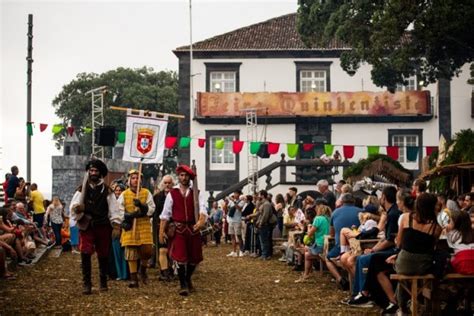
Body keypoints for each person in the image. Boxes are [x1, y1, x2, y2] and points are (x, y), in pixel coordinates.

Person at [70, 159, 121, 295]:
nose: (93, 173)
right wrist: (77, 208)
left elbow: (114, 210)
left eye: (96, 171)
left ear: (100, 173)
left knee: (103, 254)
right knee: (85, 252)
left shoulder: (107, 191)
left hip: (103, 225)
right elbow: (73, 207)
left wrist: (116, 225)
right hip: (87, 225)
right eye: (91, 170)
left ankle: (103, 281)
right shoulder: (82, 190)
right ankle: (86, 284)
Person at [159, 165, 207, 296]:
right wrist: (161, 231)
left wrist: (201, 221)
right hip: (179, 229)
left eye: (186, 175)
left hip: (193, 228)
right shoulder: (172, 193)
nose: (183, 177)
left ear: (190, 177)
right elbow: (165, 214)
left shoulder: (197, 192)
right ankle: (183, 285)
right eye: (181, 175)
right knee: (180, 258)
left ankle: (187, 278)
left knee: (194, 259)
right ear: (178, 177)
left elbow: (203, 209)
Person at [118, 169, 156, 289]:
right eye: (133, 178)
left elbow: (152, 208)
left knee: (147, 251)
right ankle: (134, 279)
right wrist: (126, 217)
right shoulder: (124, 194)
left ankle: (143, 271)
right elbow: (118, 210)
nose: (135, 180)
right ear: (129, 180)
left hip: (143, 224)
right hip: (130, 226)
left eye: (138, 178)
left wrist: (142, 207)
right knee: (131, 253)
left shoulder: (146, 192)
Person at [324, 193, 361, 290]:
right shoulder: (361, 211)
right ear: (354, 201)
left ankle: (340, 279)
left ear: (342, 202)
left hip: (342, 247)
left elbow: (331, 233)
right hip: (359, 246)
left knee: (327, 258)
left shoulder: (335, 212)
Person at [295, 204, 331, 282]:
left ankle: (306, 273)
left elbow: (310, 233)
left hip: (320, 245)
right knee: (307, 254)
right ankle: (307, 274)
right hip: (329, 244)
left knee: (305, 250)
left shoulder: (318, 219)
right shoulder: (329, 219)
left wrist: (308, 228)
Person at [153, 175, 174, 281]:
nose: (167, 185)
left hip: (173, 227)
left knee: (172, 251)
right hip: (160, 226)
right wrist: (161, 229)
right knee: (162, 250)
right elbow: (155, 214)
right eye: (165, 183)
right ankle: (164, 272)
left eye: (169, 183)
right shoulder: (157, 197)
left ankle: (171, 270)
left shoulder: (176, 196)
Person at [447, 210, 474, 274]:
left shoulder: (452, 234)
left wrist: (447, 232)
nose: (448, 223)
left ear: (455, 223)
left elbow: (449, 247)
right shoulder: (472, 232)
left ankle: (453, 282)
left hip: (461, 263)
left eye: (450, 221)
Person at [110, 183, 128, 281]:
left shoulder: (125, 201)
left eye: (119, 190)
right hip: (114, 229)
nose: (117, 192)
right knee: (116, 253)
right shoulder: (111, 202)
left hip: (124, 228)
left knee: (124, 253)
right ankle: (119, 273)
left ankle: (124, 274)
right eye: (116, 190)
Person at [255, 190, 275, 260]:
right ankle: (264, 254)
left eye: (259, 195)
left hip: (265, 225)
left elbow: (265, 216)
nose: (258, 196)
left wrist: (261, 223)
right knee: (262, 240)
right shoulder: (263, 204)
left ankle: (265, 255)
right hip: (262, 224)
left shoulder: (266, 204)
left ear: (262, 195)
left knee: (264, 240)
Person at [226, 190, 245, 257]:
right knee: (232, 236)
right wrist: (227, 203)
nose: (234, 194)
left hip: (237, 221)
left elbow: (239, 208)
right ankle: (234, 251)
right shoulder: (231, 201)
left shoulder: (242, 201)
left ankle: (241, 251)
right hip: (231, 220)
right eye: (234, 193)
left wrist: (234, 201)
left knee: (239, 236)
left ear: (239, 194)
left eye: (236, 193)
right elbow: (228, 208)